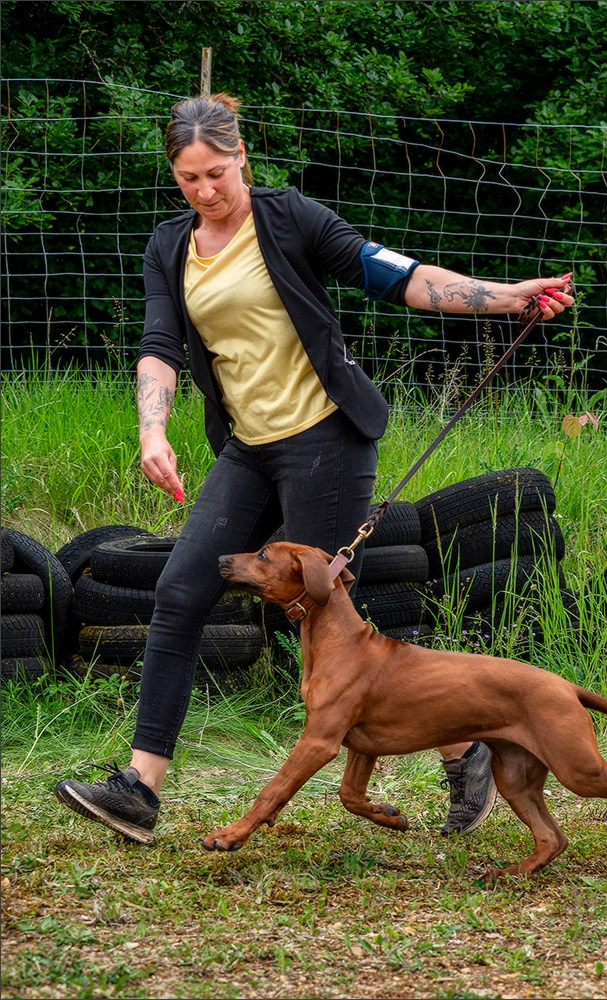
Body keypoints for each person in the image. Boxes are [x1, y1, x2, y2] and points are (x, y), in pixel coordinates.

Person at [54, 93, 575, 845]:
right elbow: (159, 344)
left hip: (326, 441)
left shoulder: (290, 217)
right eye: (189, 178)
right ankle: (139, 790)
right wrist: (152, 428)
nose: (205, 190)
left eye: (216, 173)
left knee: (325, 605)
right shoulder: (170, 245)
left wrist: (505, 299)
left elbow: (396, 275)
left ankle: (464, 747)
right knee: (179, 591)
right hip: (248, 448)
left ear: (241, 158)